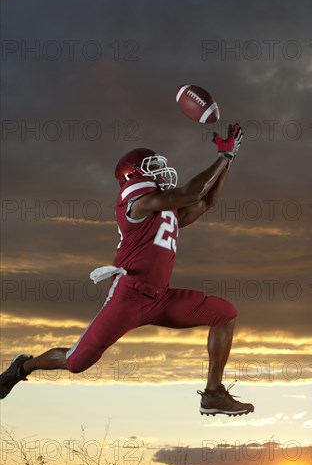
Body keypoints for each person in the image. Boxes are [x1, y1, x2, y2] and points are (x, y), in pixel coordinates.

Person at [0, 124, 254, 417]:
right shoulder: (137, 203)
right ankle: (22, 367)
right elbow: (191, 192)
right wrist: (223, 155)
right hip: (129, 297)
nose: (161, 172)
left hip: (160, 298)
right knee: (76, 362)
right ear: (134, 175)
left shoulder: (165, 210)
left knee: (225, 314)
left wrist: (229, 159)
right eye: (153, 168)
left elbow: (206, 200)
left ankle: (213, 395)